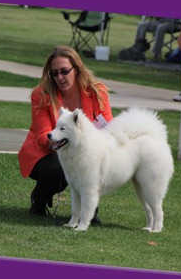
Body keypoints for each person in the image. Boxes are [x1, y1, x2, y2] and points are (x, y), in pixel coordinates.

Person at [18, 45, 113, 221]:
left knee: (90, 162)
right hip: (46, 151)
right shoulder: (41, 95)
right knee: (59, 167)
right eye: (55, 73)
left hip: (87, 150)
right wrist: (63, 145)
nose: (60, 77)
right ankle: (39, 197)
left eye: (64, 71)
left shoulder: (97, 92)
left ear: (76, 69)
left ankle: (90, 212)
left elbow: (108, 129)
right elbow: (43, 135)